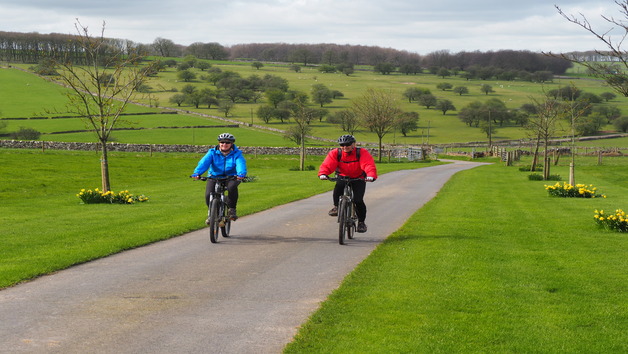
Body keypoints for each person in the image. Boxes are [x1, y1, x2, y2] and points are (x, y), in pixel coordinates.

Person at [318, 134, 377, 233]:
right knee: (338, 189)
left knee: (358, 200)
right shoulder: (336, 153)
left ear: (354, 144)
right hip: (343, 176)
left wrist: (370, 175)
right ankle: (337, 207)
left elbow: (368, 164)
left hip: (358, 178)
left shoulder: (361, 152)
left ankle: (361, 222)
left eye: (347, 144)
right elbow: (328, 164)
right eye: (342, 145)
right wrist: (323, 173)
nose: (345, 147)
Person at [191, 133, 247, 221]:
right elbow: (204, 163)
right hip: (214, 176)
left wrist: (241, 174)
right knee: (208, 195)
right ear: (219, 143)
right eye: (222, 142)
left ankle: (232, 209)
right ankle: (212, 215)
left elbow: (240, 164)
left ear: (231, 144)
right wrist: (197, 173)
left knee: (232, 187)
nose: (224, 144)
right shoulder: (212, 153)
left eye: (227, 142)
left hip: (232, 176)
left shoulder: (237, 154)